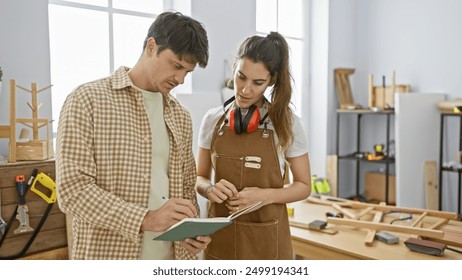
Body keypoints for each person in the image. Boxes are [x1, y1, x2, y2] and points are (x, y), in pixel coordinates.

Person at [56, 11, 210, 260]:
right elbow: (73, 191)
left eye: (188, 72)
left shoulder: (181, 116)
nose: (181, 79)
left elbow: (185, 190)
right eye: (176, 66)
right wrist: (147, 219)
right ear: (152, 46)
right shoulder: (87, 100)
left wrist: (191, 231)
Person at [195, 32, 312, 260]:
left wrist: (265, 196)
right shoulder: (212, 120)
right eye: (241, 77)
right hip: (220, 240)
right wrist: (209, 189)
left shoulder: (287, 123)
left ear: (272, 81)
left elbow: (304, 185)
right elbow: (199, 177)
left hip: (267, 244)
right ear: (234, 69)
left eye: (258, 83)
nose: (245, 90)